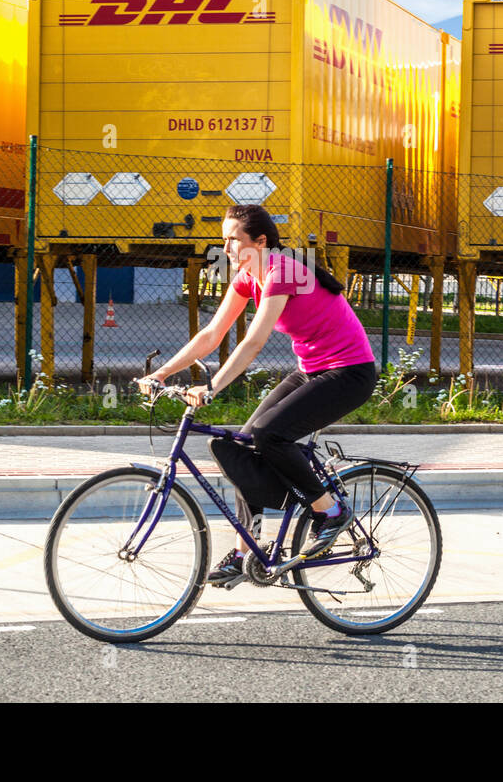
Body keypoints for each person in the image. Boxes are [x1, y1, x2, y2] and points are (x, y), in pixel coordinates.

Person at [136, 204, 377, 589]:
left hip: (350, 372)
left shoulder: (283, 271)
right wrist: (162, 373)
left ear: (260, 242)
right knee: (243, 447)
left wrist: (212, 388)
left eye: (233, 240)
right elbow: (211, 335)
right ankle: (247, 551)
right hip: (313, 370)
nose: (226, 247)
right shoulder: (249, 276)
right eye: (223, 240)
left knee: (269, 433)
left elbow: (253, 341)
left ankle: (330, 511)